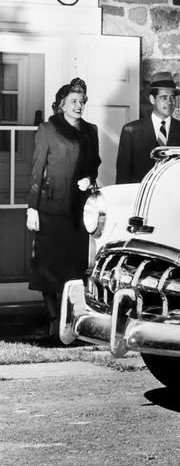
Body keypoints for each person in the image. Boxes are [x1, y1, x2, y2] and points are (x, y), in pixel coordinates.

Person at [26, 78, 100, 339]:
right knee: (48, 266)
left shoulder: (91, 131)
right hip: (51, 207)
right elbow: (37, 169)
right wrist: (32, 208)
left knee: (74, 267)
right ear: (61, 105)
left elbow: (94, 162)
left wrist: (89, 178)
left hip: (79, 210)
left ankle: (73, 319)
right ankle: (54, 319)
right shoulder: (48, 129)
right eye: (73, 101)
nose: (79, 105)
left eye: (82, 101)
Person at [116, 71, 180, 184]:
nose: (170, 102)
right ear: (152, 99)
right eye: (164, 98)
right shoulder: (131, 131)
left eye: (173, 98)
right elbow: (123, 176)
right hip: (142, 193)